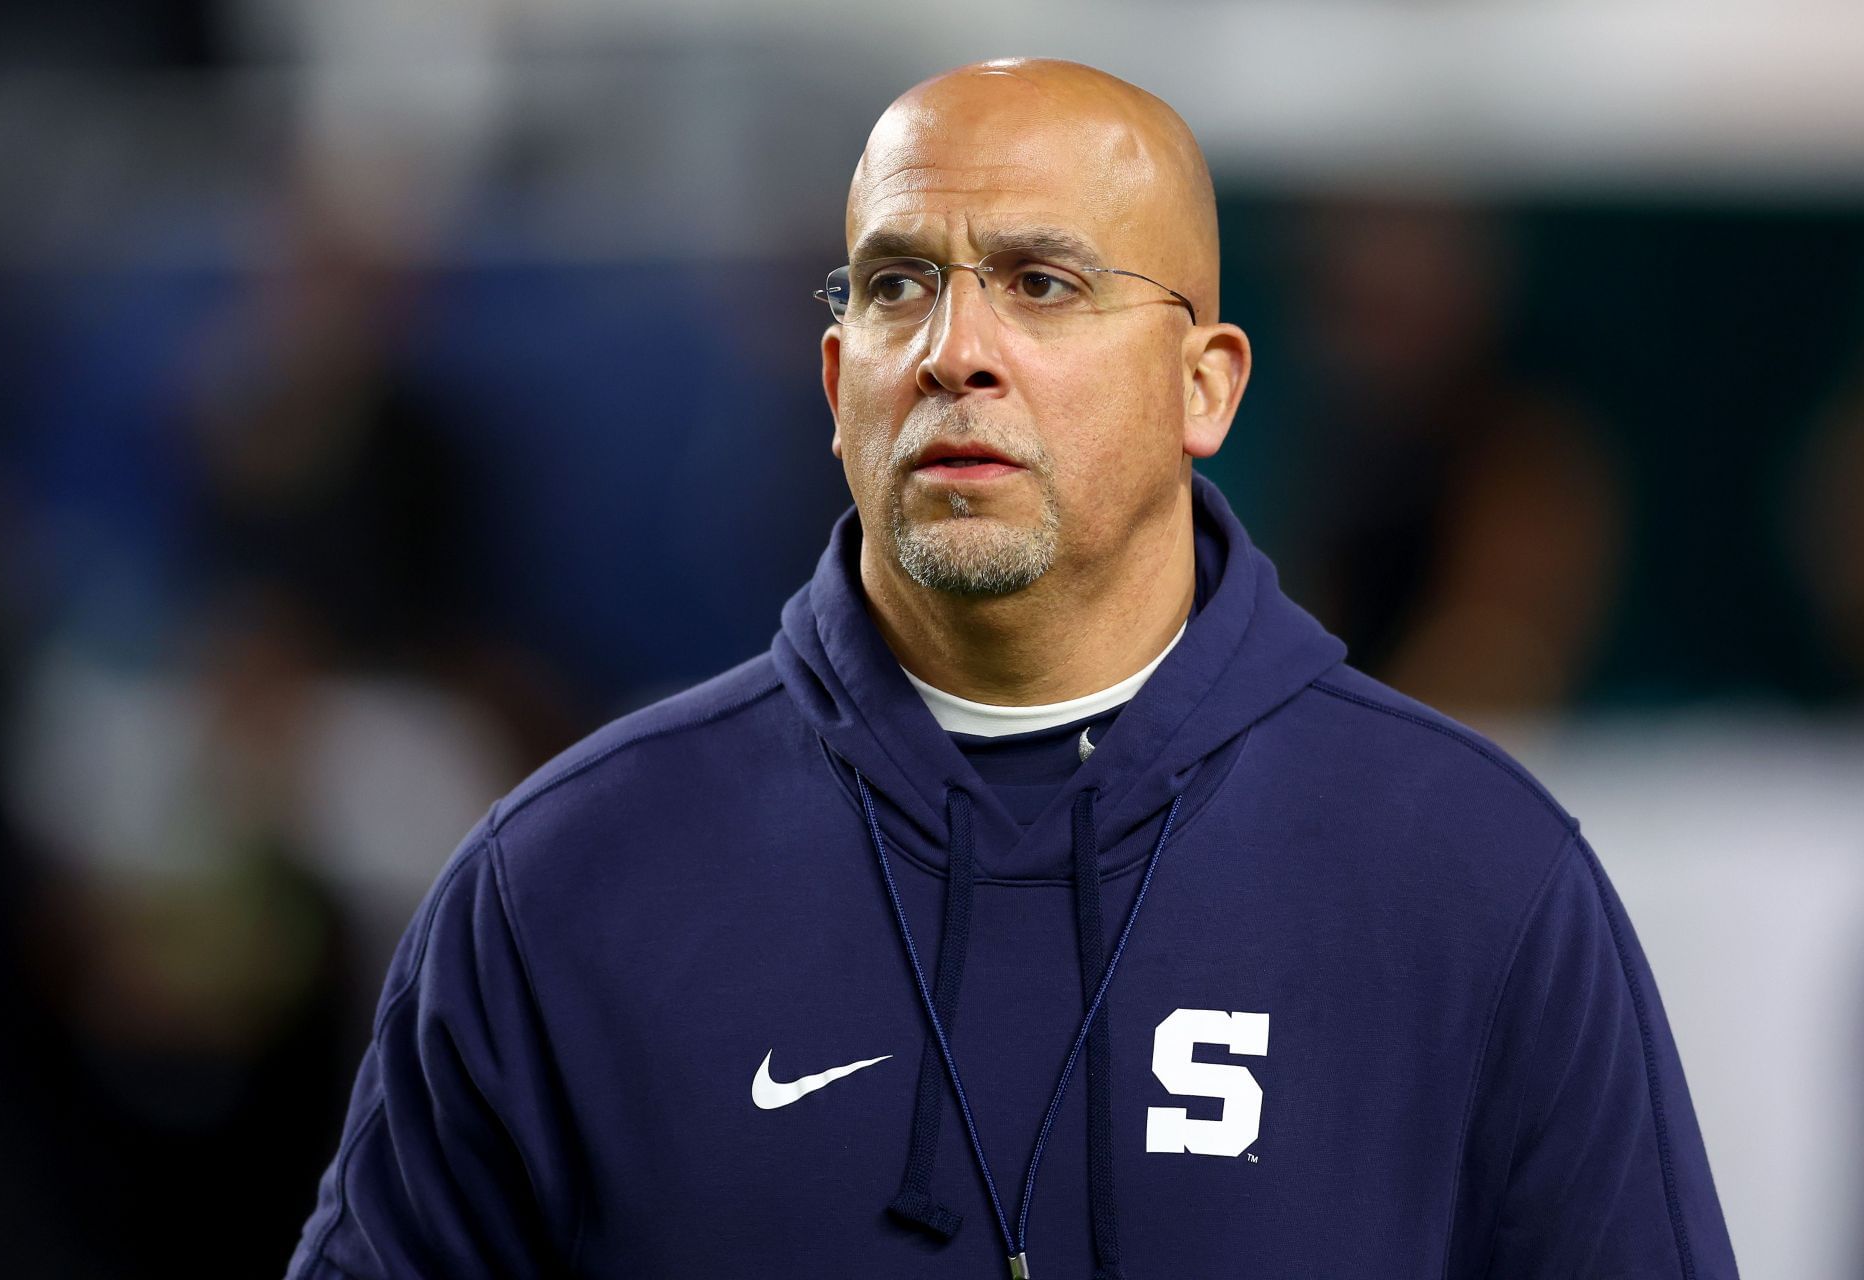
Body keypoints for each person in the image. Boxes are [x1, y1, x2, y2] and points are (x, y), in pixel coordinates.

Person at [287, 58, 1738, 1279]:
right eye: (898, 285)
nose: (954, 351)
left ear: (1205, 387)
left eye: (1042, 284)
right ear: (836, 382)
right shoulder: (566, 880)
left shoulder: (1474, 876)